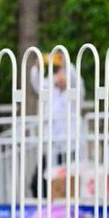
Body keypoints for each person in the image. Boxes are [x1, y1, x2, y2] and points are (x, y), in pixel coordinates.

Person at [30, 52, 82, 196]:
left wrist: (65, 63)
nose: (59, 77)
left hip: (69, 145)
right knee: (39, 182)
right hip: (52, 144)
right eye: (57, 73)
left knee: (67, 183)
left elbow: (75, 78)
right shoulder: (49, 89)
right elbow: (36, 81)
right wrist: (38, 66)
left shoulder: (75, 92)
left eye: (62, 73)